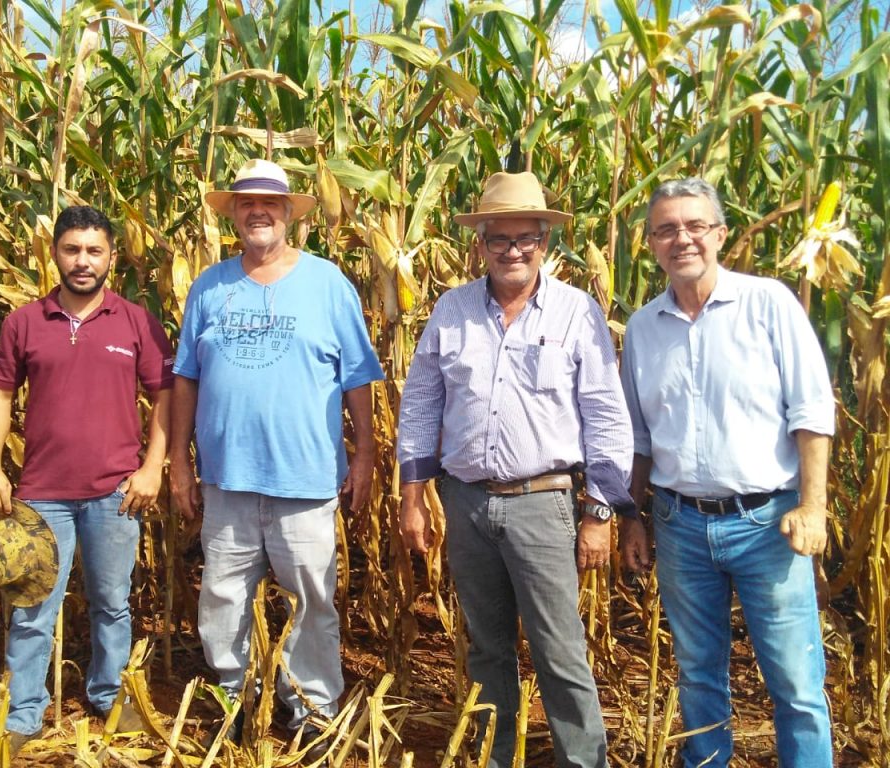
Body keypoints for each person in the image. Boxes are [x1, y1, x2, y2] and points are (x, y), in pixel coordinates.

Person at [397, 171, 634, 768]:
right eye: (499, 239)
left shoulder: (577, 313)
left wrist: (601, 510)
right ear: (480, 243)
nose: (512, 251)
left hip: (544, 504)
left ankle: (584, 760)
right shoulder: (451, 311)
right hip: (467, 502)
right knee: (488, 648)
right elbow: (422, 403)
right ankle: (495, 757)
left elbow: (605, 413)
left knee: (559, 649)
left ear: (544, 243)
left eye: (525, 238)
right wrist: (412, 495)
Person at [168, 159, 384, 748]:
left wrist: (363, 455)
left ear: (290, 213)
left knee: (313, 601)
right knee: (222, 599)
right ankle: (233, 699)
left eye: (269, 202)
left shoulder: (327, 283)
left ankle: (311, 712)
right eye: (245, 202)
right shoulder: (210, 286)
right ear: (232, 213)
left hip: (307, 480)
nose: (257, 211)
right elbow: (185, 376)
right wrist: (181, 462)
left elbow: (357, 377)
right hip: (226, 480)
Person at [619, 177, 834, 767]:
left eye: (694, 226)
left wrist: (812, 507)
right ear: (650, 243)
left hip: (768, 523)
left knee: (795, 684)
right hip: (680, 525)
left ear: (720, 233)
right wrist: (632, 519)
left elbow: (812, 413)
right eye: (665, 229)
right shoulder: (641, 329)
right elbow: (637, 438)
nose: (681, 239)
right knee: (698, 679)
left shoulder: (768, 304)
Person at [0, 205, 173, 755]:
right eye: (72, 249)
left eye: (94, 250)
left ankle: (110, 695)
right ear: (55, 254)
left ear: (112, 256)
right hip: (41, 493)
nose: (82, 261)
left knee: (113, 602)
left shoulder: (135, 321)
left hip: (116, 491)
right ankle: (25, 713)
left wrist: (153, 465)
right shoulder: (25, 321)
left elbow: (165, 395)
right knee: (33, 604)